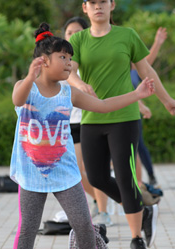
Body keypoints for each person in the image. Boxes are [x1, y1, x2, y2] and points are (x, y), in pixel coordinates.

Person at [0, 22, 155, 249]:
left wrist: (137, 94)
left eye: (71, 59)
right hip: (32, 173)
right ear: (43, 61)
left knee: (82, 220)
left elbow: (103, 106)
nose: (70, 63)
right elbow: (17, 98)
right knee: (28, 227)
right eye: (63, 58)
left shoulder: (68, 92)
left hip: (65, 172)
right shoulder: (28, 89)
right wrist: (28, 76)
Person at [68, 0, 175, 249]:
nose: (98, 6)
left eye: (103, 2)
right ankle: (142, 209)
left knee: (125, 176)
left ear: (112, 6)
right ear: (85, 7)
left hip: (125, 118)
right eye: (92, 3)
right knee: (96, 177)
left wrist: (167, 100)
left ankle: (136, 239)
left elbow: (147, 70)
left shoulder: (127, 35)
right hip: (91, 118)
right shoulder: (78, 40)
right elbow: (69, 71)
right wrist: (78, 84)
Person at [61, 16, 111, 226]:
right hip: (67, 123)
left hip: (87, 120)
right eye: (69, 33)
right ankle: (98, 200)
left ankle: (103, 211)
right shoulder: (59, 62)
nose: (73, 36)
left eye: (76, 32)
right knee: (76, 174)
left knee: (91, 171)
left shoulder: (87, 62)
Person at [131, 27, 168, 188]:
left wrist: (157, 43)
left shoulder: (131, 67)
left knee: (138, 145)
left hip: (132, 113)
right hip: (112, 113)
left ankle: (147, 180)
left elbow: (146, 65)